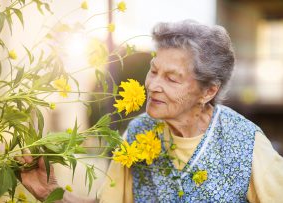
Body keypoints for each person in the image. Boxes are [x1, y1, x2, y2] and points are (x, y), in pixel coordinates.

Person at [20, 20, 283, 202]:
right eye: (154, 70)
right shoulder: (137, 132)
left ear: (208, 92)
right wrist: (53, 194)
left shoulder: (246, 143)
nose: (153, 85)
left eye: (172, 78)